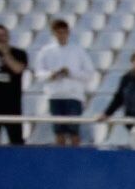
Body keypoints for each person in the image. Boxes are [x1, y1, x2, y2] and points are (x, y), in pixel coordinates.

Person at [33, 17, 92, 147]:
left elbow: (89, 73)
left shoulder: (78, 50)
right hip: (55, 95)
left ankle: (75, 159)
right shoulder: (46, 51)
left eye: (63, 32)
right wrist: (51, 74)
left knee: (74, 131)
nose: (61, 35)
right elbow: (38, 74)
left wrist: (71, 73)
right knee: (58, 132)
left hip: (73, 96)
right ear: (53, 33)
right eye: (58, 32)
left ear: (68, 32)